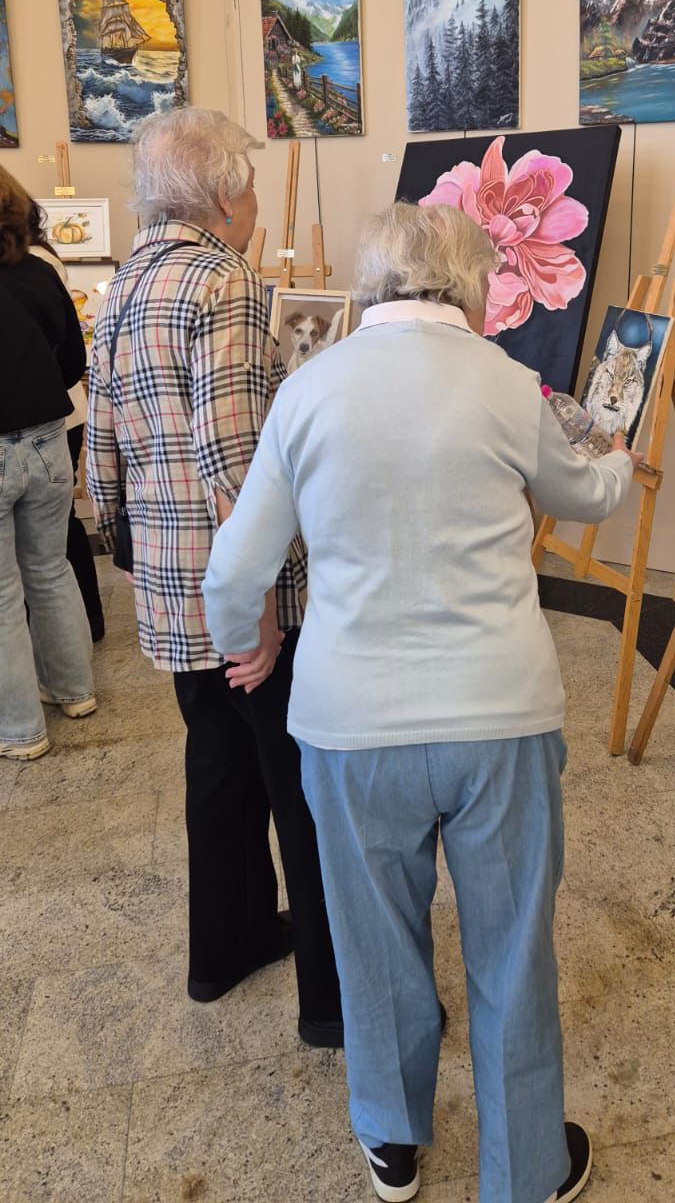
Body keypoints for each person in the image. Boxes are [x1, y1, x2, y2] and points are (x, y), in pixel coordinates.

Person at [203, 201, 640, 1203]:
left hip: (351, 725)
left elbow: (234, 571)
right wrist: (622, 458)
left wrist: (250, 643)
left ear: (370, 285)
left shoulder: (309, 389)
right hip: (500, 715)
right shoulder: (507, 382)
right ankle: (524, 1171)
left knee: (373, 940)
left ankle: (393, 1142)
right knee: (511, 949)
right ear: (472, 283)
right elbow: (585, 495)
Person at [87, 107, 341, 1042]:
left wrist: (127, 547)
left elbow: (100, 448)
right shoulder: (225, 280)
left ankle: (224, 949)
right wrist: (260, 609)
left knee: (218, 768)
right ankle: (333, 1006)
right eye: (251, 187)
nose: (255, 203)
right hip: (237, 589)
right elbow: (235, 460)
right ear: (225, 196)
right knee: (299, 788)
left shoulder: (123, 283)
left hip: (166, 576)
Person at [0, 165, 96, 761]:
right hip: (47, 436)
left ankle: (19, 730)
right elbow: (73, 361)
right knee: (50, 568)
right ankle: (75, 691)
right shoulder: (39, 270)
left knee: (2, 592)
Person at [27, 198, 105, 642]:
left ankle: (87, 621)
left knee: (58, 532)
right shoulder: (42, 260)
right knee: (62, 527)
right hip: (61, 408)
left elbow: (64, 348)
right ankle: (88, 622)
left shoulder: (34, 264)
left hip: (53, 413)